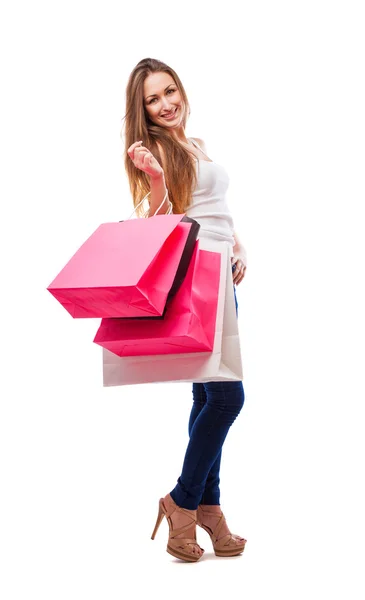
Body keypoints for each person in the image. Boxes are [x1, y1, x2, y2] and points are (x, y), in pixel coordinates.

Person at [123, 58, 248, 562]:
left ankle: (211, 511)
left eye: (169, 91)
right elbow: (160, 221)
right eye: (153, 99)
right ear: (143, 111)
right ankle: (182, 501)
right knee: (226, 399)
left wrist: (240, 245)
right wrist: (153, 180)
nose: (166, 103)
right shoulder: (152, 150)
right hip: (198, 279)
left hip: (223, 272)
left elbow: (213, 208)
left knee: (207, 396)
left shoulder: (193, 145)